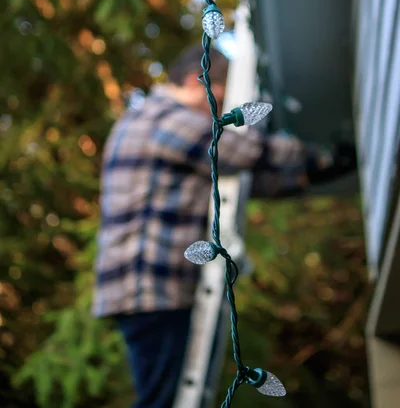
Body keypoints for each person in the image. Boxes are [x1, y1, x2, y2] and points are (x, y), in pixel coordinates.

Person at [92, 45, 353, 408]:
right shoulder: (161, 117)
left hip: (150, 288)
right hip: (149, 286)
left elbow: (247, 182)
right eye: (219, 94)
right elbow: (234, 149)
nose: (221, 110)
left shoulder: (160, 125)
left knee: (166, 397)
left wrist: (308, 176)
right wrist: (315, 155)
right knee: (161, 401)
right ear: (194, 80)